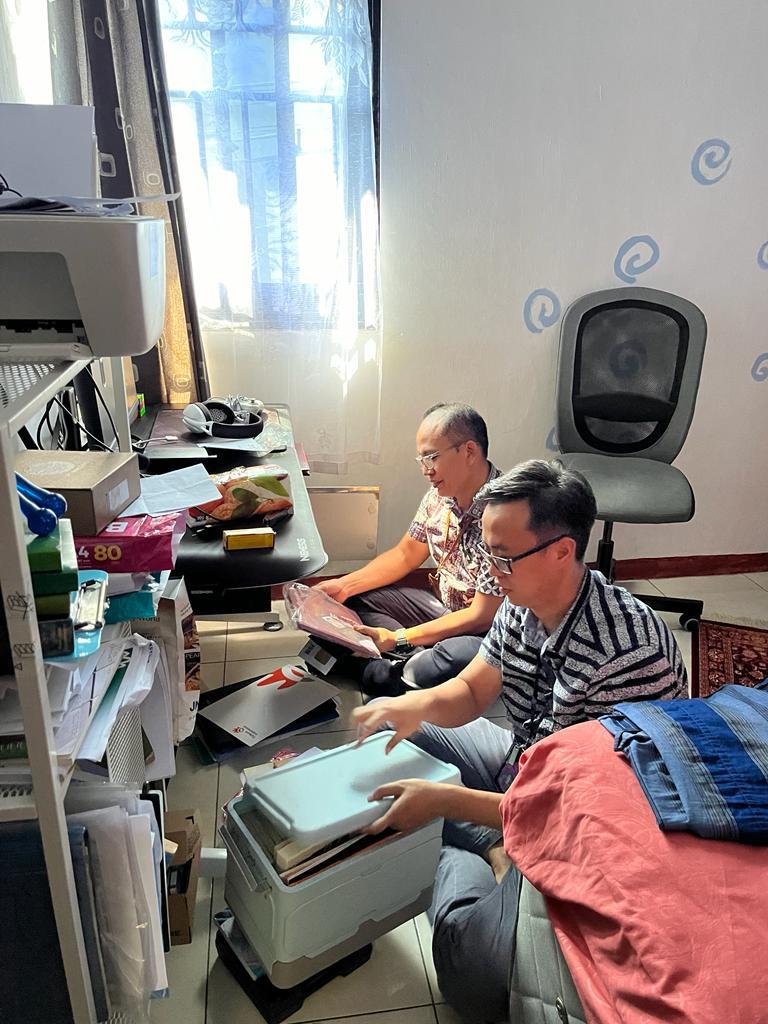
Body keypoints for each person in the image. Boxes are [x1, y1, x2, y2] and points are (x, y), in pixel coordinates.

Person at [352, 459, 688, 1023]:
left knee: (474, 980)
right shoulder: (521, 600)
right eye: (488, 553)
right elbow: (471, 690)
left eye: (503, 557)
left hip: (588, 826)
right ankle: (492, 842)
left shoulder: (628, 655)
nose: (491, 573)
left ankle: (450, 847)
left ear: (562, 551)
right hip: (526, 768)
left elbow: (575, 810)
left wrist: (447, 801)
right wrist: (412, 706)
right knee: (391, 727)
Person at [315, 403, 504, 695]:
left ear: (469, 451)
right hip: (442, 609)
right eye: (422, 459)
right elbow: (406, 554)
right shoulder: (439, 496)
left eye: (432, 457)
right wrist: (343, 585)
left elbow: (481, 615)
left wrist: (399, 637)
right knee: (353, 600)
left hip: (482, 631)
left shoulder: (505, 515)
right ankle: (395, 661)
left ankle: (387, 662)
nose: (426, 471)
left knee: (447, 660)